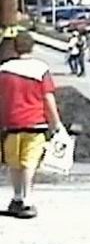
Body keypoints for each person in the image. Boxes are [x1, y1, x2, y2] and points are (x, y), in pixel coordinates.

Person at [0, 32, 64, 219]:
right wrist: (56, 123)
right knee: (29, 162)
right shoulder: (40, 69)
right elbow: (47, 97)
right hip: (35, 123)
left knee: (14, 163)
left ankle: (17, 197)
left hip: (10, 124)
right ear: (32, 47)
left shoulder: (3, 70)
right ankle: (27, 201)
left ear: (14, 48)